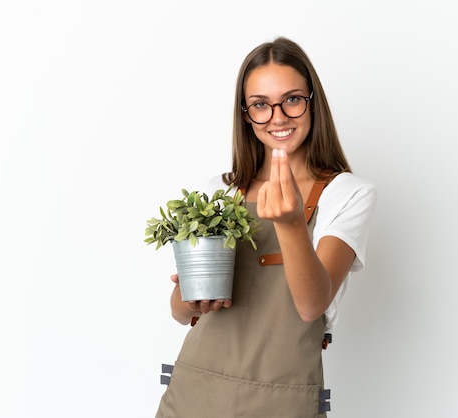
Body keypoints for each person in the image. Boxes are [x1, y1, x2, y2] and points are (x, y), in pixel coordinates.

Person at [155, 37, 376, 417]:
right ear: (246, 114)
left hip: (282, 400)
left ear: (312, 102)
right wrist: (189, 297)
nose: (277, 116)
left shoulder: (347, 195)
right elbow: (180, 313)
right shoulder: (221, 190)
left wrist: (291, 224)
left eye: (291, 99)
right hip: (195, 392)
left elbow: (311, 306)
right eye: (260, 104)